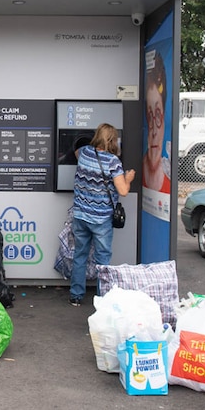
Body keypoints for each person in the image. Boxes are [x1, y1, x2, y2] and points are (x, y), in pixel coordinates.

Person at [69, 123, 135, 306]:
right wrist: (128, 179)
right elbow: (122, 191)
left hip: (81, 215)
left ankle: (76, 296)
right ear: (113, 141)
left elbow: (75, 150)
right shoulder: (113, 162)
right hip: (100, 219)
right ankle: (103, 299)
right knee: (102, 259)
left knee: (80, 255)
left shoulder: (84, 152)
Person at [142, 52, 171, 192]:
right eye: (149, 116)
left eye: (158, 117)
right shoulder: (136, 169)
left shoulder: (169, 175)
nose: (154, 131)